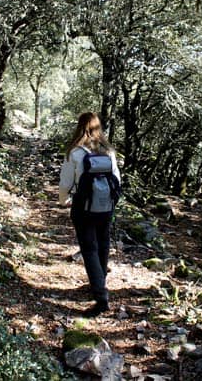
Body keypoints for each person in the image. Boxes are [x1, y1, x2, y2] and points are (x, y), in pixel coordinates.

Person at [59, 112, 121, 317]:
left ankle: (100, 296)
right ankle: (100, 283)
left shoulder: (75, 153)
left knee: (89, 248)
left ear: (79, 127)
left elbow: (66, 183)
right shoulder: (108, 151)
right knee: (103, 245)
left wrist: (63, 201)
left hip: (83, 207)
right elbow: (117, 181)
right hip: (106, 206)